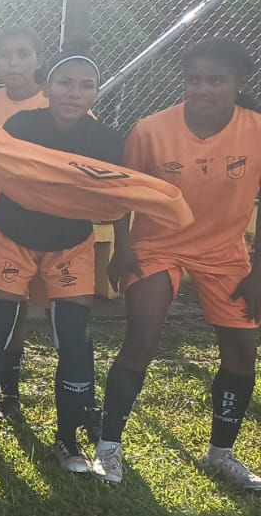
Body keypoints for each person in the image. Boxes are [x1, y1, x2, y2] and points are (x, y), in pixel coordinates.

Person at [98, 39, 261, 489]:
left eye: (216, 80)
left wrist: (258, 271)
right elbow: (123, 193)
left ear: (239, 83)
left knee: (242, 351)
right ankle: (108, 446)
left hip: (223, 252)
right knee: (142, 337)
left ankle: (221, 453)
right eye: (193, 80)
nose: (202, 89)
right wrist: (122, 247)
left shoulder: (256, 129)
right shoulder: (151, 130)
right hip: (157, 246)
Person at [0, 45, 121, 474]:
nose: (74, 92)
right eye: (64, 82)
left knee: (73, 338)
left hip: (70, 244)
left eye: (86, 85)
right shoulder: (22, 124)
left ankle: (68, 440)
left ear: (96, 93)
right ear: (46, 87)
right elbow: (3, 170)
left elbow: (117, 197)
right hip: (12, 236)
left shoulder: (104, 139)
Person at [0, 26, 48, 420]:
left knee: (44, 311)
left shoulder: (57, 101)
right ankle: (4, 393)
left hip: (48, 227)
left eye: (23, 54)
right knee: (2, 311)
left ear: (38, 59)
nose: (13, 63)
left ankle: (80, 407)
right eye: (5, 55)